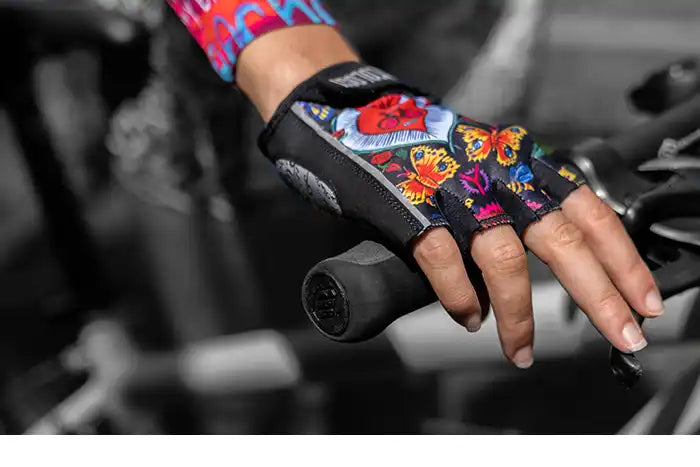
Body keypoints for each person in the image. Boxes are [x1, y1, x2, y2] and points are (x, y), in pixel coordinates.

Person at [164, 0, 664, 370]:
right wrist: (318, 82)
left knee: (409, 324)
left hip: (450, 34)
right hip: (221, 99)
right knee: (242, 379)